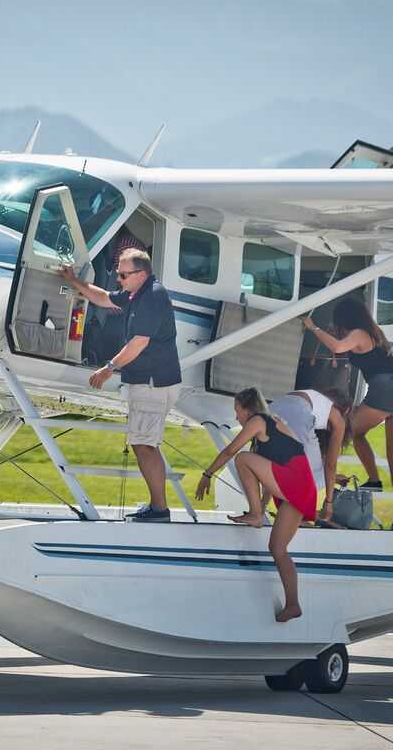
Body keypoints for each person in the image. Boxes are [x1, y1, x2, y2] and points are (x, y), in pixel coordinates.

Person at [60, 248, 181, 523]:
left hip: (153, 383)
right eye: (118, 273)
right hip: (150, 382)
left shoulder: (152, 296)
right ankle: (157, 507)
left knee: (144, 445)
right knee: (144, 443)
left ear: (142, 274)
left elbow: (140, 342)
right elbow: (103, 298)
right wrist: (74, 282)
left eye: (124, 275)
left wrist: (109, 368)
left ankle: (160, 511)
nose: (119, 279)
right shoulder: (136, 293)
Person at [194, 388, 315, 622]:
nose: (237, 417)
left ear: (245, 407)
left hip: (295, 480)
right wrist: (261, 504)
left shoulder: (259, 421)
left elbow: (231, 450)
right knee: (277, 549)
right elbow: (272, 473)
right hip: (301, 486)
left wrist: (207, 474)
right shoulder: (271, 426)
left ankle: (256, 515)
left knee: (242, 459)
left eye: (237, 411)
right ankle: (293, 604)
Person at [303, 297, 393, 530]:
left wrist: (312, 327)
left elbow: (337, 347)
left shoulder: (359, 333)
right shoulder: (374, 333)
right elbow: (347, 344)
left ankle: (374, 480)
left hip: (383, 388)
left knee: (350, 429)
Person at [268, 387, 348, 524]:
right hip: (296, 412)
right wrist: (328, 503)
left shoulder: (315, 400)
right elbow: (330, 465)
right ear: (346, 411)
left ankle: (284, 513)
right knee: (310, 475)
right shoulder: (337, 418)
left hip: (271, 409)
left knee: (284, 467)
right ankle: (295, 518)